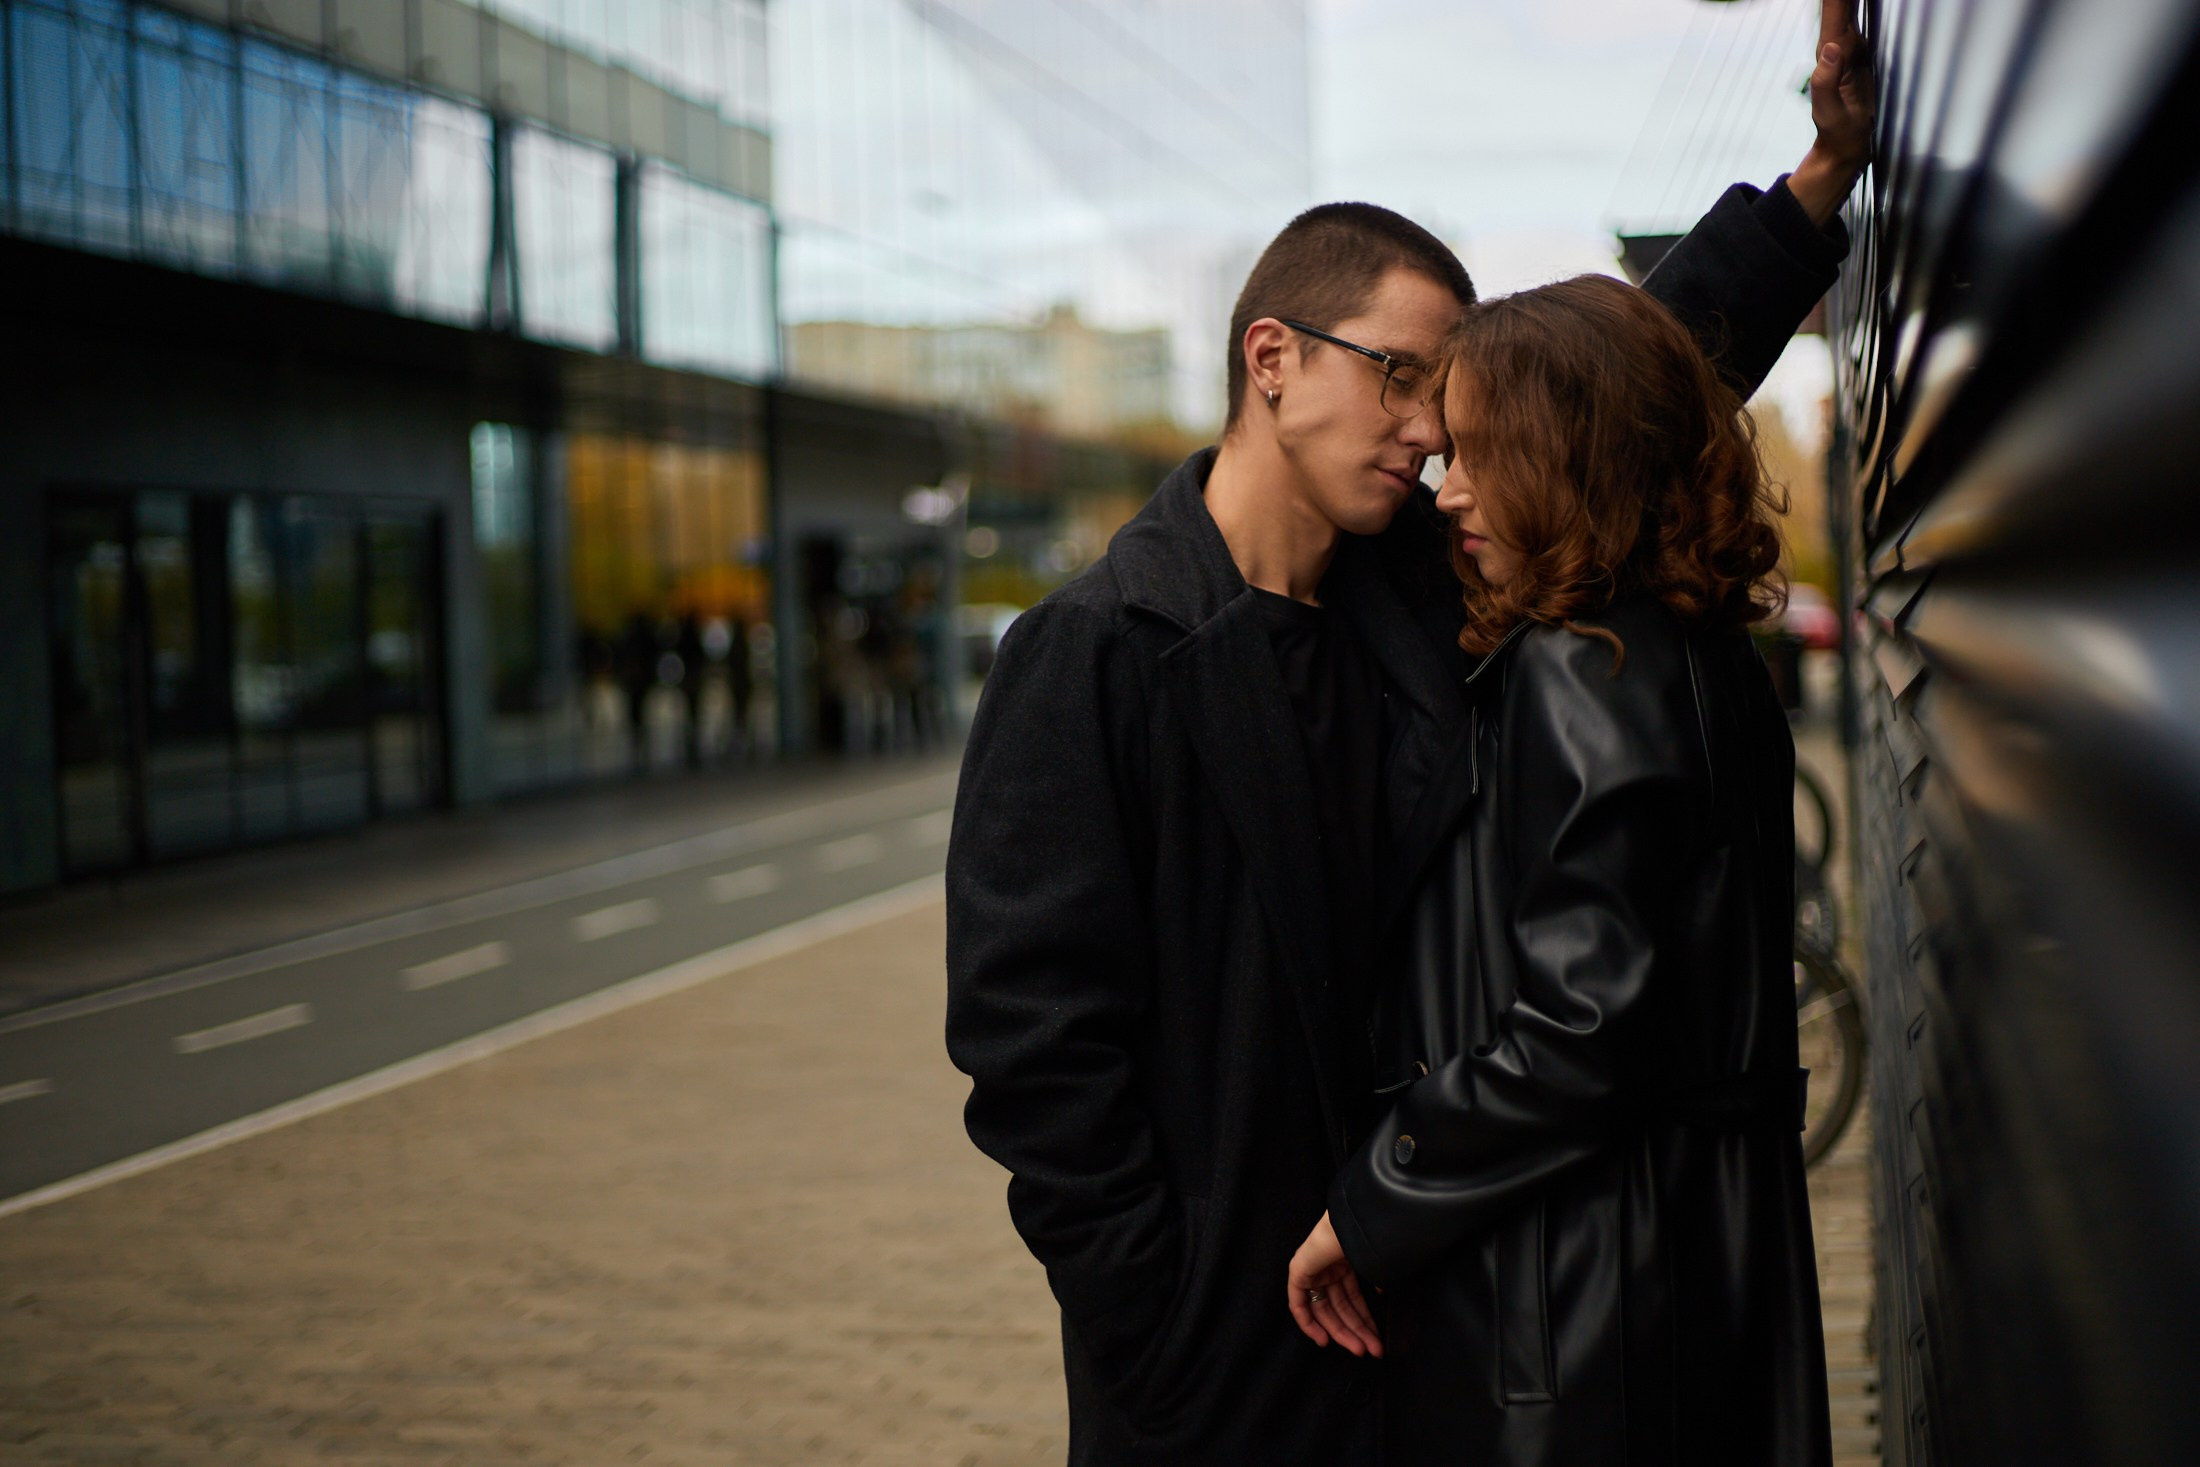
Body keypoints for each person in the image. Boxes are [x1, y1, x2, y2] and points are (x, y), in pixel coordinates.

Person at [946, 13, 1873, 1461]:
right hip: (1229, 1350)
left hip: (1433, 1304)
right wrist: (1166, 1326)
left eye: (1446, 398)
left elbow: (1610, 391)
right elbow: (1033, 1054)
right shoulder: (1098, 651)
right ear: (1272, 356)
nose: (1431, 427)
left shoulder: (1421, 588)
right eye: (1399, 376)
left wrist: (1816, 183)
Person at [1289, 273, 1832, 1464]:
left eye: (1484, 453)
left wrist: (1374, 1200)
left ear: (1571, 452)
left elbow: (1581, 1033)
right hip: (1692, 1251)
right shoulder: (1698, 648)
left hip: (1586, 1283)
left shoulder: (1577, 668)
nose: (1453, 491)